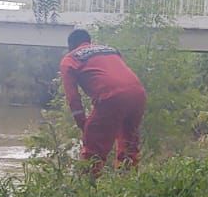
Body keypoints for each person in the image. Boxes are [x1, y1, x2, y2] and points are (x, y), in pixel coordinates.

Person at [59, 28, 147, 173]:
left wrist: (83, 124)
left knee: (92, 152)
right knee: (129, 146)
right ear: (89, 41)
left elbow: (73, 97)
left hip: (111, 97)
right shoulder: (111, 50)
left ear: (70, 46)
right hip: (138, 94)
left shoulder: (70, 59)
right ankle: (128, 182)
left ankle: (88, 184)